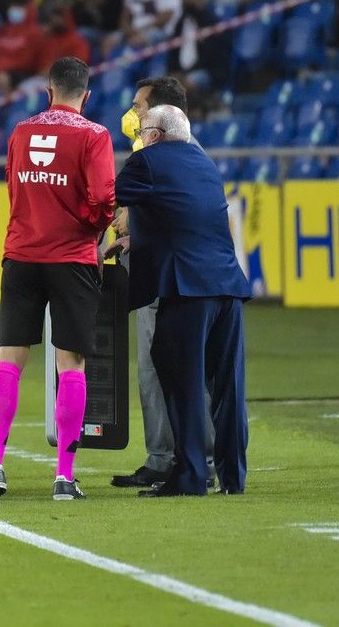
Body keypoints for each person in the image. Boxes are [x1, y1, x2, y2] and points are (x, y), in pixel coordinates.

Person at [0, 57, 115, 503]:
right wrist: (90, 227)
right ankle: (64, 478)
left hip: (23, 254)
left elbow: (13, 186)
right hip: (72, 258)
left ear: (48, 92)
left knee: (10, 359)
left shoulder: (22, 131)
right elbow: (104, 197)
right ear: (85, 96)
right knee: (71, 363)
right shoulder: (94, 134)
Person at [107, 104, 250, 497]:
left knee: (180, 378)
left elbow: (104, 199)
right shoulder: (205, 165)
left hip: (187, 289)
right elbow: (185, 216)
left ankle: (189, 475)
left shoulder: (147, 161)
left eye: (143, 128)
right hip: (227, 287)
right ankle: (233, 477)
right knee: (228, 388)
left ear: (153, 134)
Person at [109, 77, 216, 489]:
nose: (131, 115)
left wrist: (137, 229)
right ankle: (163, 457)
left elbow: (188, 214)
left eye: (138, 106)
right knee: (152, 369)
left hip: (175, 276)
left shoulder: (183, 155)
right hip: (155, 269)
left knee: (183, 368)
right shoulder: (159, 152)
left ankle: (198, 459)